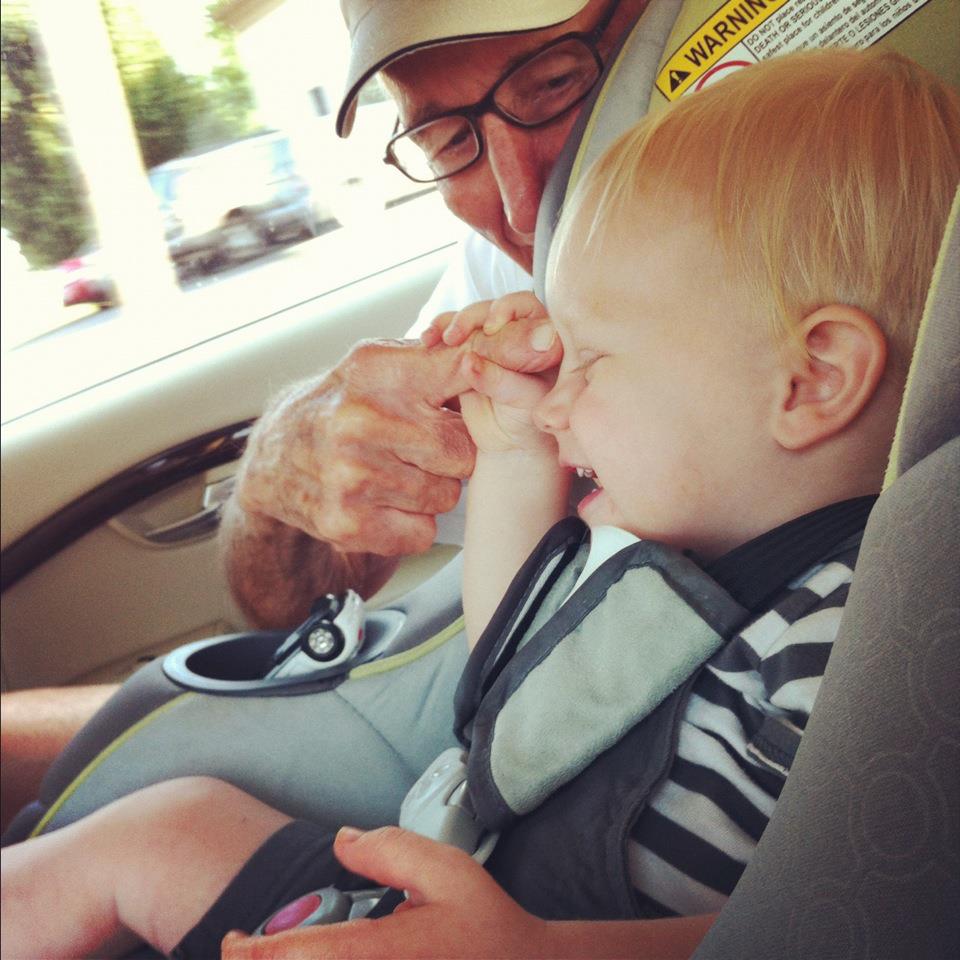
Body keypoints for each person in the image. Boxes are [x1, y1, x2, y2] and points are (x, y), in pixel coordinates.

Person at [3, 47, 957, 960]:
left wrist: (538, 953)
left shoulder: (858, 643)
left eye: (591, 361)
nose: (558, 400)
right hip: (460, 897)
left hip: (532, 940)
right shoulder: (677, 545)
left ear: (811, 381)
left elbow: (848, 929)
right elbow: (515, 659)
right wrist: (509, 444)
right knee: (166, 829)